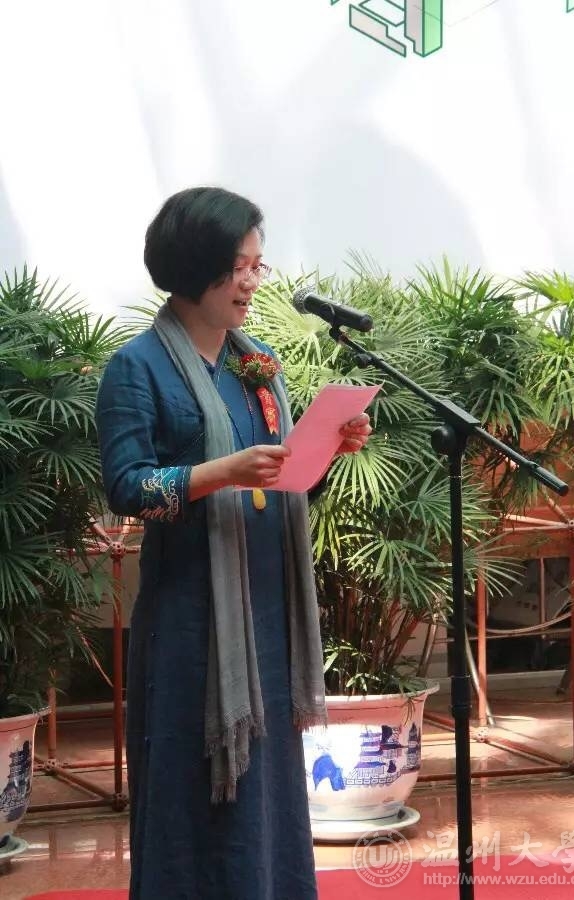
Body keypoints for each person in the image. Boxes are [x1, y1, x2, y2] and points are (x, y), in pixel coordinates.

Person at [95, 186, 372, 900]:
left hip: (265, 614)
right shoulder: (137, 367)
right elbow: (126, 487)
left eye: (257, 265)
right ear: (196, 268)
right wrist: (221, 472)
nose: (252, 282)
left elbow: (279, 483)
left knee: (267, 791)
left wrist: (324, 450)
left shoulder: (260, 365)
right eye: (238, 267)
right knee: (192, 788)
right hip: (191, 619)